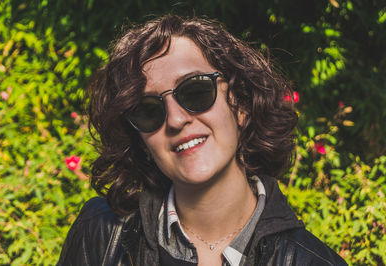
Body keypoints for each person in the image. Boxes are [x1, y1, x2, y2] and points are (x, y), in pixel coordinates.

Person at [57, 15, 347, 266]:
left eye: (195, 91)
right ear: (141, 140)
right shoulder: (100, 232)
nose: (176, 119)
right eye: (148, 111)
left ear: (241, 103)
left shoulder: (312, 261)